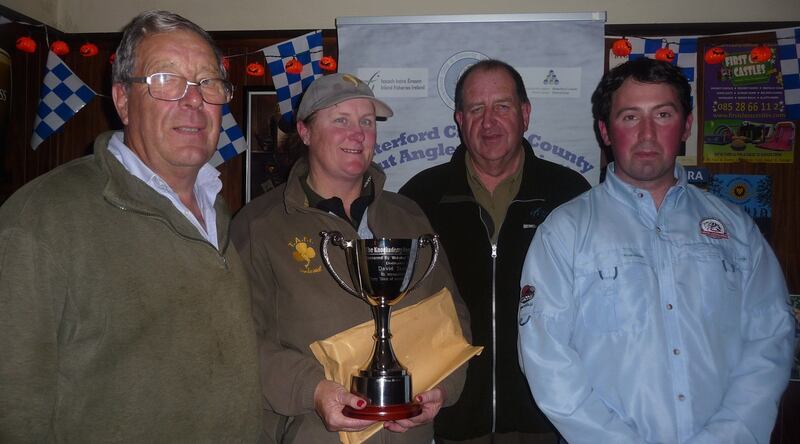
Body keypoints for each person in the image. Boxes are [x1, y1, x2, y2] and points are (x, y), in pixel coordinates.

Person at [0, 10, 261, 442]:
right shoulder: (39, 219)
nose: (193, 100)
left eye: (208, 82)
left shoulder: (217, 207)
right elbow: (13, 405)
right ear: (122, 100)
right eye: (165, 79)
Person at [518, 57, 796, 443]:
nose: (647, 134)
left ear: (686, 126)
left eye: (663, 114)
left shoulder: (736, 230)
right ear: (605, 131)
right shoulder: (564, 231)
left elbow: (770, 342)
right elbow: (546, 359)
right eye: (630, 117)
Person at [231, 72, 471, 443]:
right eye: (340, 120)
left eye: (366, 122)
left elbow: (452, 315)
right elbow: (239, 339)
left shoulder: (408, 216)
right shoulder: (260, 225)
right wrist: (311, 389)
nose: (357, 134)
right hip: (312, 433)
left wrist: (441, 388)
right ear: (306, 132)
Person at [399, 60, 591, 443]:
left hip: (549, 417)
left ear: (525, 114)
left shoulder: (570, 194)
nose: (489, 122)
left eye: (502, 106)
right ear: (459, 118)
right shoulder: (419, 199)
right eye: (476, 109)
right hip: (449, 416)